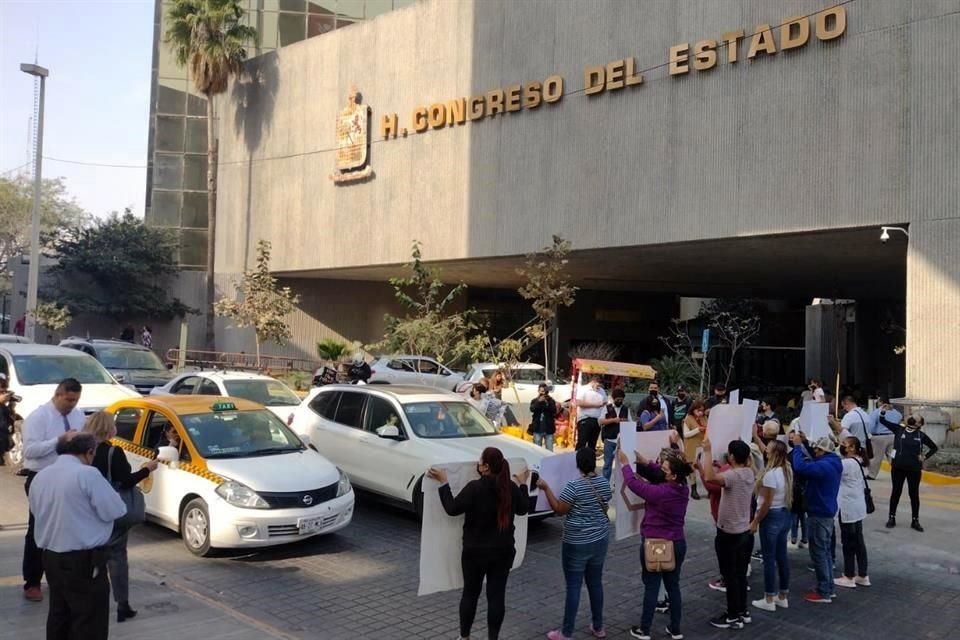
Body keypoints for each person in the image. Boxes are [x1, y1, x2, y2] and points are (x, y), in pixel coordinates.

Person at [29, 431, 127, 640]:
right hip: (84, 559)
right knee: (89, 619)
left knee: (59, 614)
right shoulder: (87, 474)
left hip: (51, 556)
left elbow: (38, 513)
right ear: (89, 452)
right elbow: (116, 510)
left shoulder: (41, 476)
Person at [427, 448, 531, 640]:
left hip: (474, 552)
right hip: (503, 551)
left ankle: (464, 637)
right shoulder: (510, 488)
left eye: (480, 461)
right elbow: (524, 509)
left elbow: (452, 508)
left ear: (485, 467)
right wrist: (523, 483)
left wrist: (444, 482)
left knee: (470, 594)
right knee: (497, 596)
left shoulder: (474, 488)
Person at [84, 412, 159, 622]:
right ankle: (122, 604)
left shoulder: (83, 450)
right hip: (111, 512)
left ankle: (90, 602)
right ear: (109, 429)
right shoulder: (112, 452)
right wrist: (146, 469)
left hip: (88, 511)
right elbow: (125, 481)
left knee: (90, 558)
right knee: (117, 558)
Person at [20, 378, 85, 602]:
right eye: (69, 400)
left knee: (65, 527)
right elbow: (29, 451)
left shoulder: (77, 415)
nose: (72, 404)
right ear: (58, 395)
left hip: (70, 477)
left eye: (76, 400)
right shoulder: (39, 417)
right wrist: (58, 441)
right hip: (43, 477)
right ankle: (32, 581)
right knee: (39, 529)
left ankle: (60, 576)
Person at [537, 448, 613, 640]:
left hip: (576, 541)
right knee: (595, 583)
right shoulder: (604, 483)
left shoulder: (573, 486)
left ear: (577, 464)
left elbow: (559, 509)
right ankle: (598, 626)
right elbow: (604, 504)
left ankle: (566, 632)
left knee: (573, 586)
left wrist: (546, 488)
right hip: (600, 538)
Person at [618, 446, 692, 640]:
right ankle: (675, 628)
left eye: (664, 469)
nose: (661, 469)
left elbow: (636, 485)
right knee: (673, 586)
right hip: (678, 542)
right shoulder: (683, 488)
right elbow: (658, 474)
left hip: (659, 544)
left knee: (652, 586)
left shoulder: (662, 493)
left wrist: (625, 464)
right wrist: (646, 463)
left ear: (673, 475)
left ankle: (644, 629)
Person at [701, 439, 755, 630]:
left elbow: (709, 477)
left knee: (729, 575)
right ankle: (743, 610)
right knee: (740, 574)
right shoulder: (749, 472)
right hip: (744, 531)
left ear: (731, 457)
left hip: (729, 533)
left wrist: (707, 452)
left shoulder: (733, 475)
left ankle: (733, 615)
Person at [789, 432, 842, 603]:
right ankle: (828, 587)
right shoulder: (833, 462)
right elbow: (816, 460)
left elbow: (800, 468)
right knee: (824, 552)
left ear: (823, 452)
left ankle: (824, 590)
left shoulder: (824, 466)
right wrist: (804, 442)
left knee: (818, 553)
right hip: (826, 512)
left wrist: (797, 447)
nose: (815, 452)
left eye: (817, 450)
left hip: (818, 513)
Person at [750, 440, 793, 612]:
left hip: (771, 516)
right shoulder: (787, 469)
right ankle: (782, 595)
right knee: (782, 556)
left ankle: (769, 597)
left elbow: (766, 503)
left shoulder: (770, 475)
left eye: (768, 450)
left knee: (769, 559)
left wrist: (755, 522)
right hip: (784, 514)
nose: (765, 451)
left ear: (773, 454)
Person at [881, 414, 939, 531]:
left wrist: (924, 457)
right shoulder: (899, 429)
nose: (912, 417)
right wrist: (882, 412)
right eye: (912, 415)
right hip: (898, 468)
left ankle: (915, 520)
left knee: (913, 494)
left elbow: (934, 447)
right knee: (896, 492)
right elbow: (882, 421)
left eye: (916, 417)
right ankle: (891, 518)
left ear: (919, 424)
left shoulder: (921, 435)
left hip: (914, 469)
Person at [834, 437, 871, 589]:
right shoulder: (861, 461)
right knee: (859, 542)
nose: (841, 446)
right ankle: (862, 574)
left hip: (847, 507)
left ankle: (849, 575)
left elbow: (834, 467)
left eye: (844, 445)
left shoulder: (847, 464)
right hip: (858, 507)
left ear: (852, 448)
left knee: (848, 542)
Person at [600, 388, 631, 480]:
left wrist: (626, 422)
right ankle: (605, 484)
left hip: (622, 441)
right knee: (608, 464)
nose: (620, 401)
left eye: (621, 400)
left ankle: (618, 485)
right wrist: (613, 420)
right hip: (609, 440)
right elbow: (601, 421)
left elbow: (630, 422)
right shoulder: (606, 408)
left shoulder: (626, 409)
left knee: (622, 464)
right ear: (613, 399)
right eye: (618, 399)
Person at [866, 396, 901, 479]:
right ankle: (899, 472)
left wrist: (870, 435)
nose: (877, 403)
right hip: (893, 437)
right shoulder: (897, 413)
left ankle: (872, 474)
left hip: (879, 437)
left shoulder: (876, 412)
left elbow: (870, 426)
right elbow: (899, 421)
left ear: (881, 402)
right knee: (892, 456)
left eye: (878, 402)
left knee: (876, 458)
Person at [681, 401, 707, 499]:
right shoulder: (688, 419)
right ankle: (693, 490)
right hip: (691, 446)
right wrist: (698, 430)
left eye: (702, 410)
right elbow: (686, 434)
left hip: (702, 446)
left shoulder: (704, 418)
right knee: (692, 469)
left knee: (703, 467)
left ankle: (708, 488)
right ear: (693, 409)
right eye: (698, 410)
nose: (700, 412)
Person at [575, 376, 606, 451]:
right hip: (585, 419)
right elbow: (579, 402)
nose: (598, 387)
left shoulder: (601, 391)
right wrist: (596, 405)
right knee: (582, 442)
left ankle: (590, 460)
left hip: (597, 420)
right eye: (597, 385)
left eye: (600, 386)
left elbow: (605, 402)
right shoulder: (583, 389)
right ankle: (577, 460)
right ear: (593, 382)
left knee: (592, 444)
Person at [529, 383, 558, 451]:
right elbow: (532, 409)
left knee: (549, 450)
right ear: (538, 391)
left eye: (544, 391)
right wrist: (539, 402)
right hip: (538, 428)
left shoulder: (551, 400)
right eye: (541, 391)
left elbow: (554, 411)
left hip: (548, 429)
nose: (543, 393)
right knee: (537, 450)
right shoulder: (534, 400)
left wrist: (547, 403)